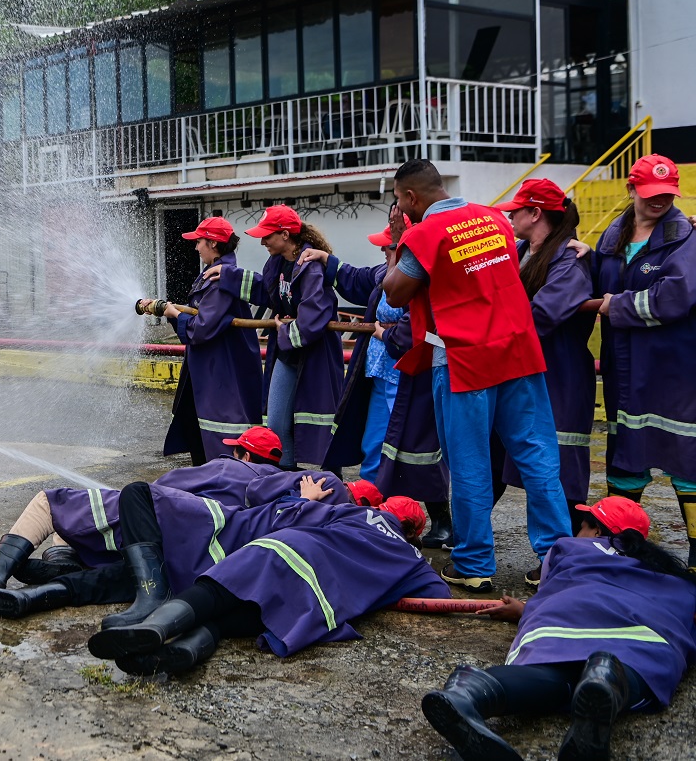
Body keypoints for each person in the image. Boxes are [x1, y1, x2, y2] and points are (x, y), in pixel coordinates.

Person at [382, 159, 571, 592]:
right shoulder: (494, 220)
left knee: (469, 464)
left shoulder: (423, 234)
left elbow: (395, 292)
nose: (398, 209)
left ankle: (474, 563)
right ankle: (558, 558)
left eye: (397, 200)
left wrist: (398, 239)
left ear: (410, 198)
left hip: (464, 360)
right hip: (519, 352)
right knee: (538, 456)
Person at [0, 427, 355, 620]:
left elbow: (160, 489)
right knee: (124, 574)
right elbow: (336, 492)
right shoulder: (287, 489)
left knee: (52, 501)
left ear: (245, 454)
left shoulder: (229, 469)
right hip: (195, 562)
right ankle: (36, 584)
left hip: (167, 519)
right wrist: (301, 501)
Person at [422, 496, 696, 761]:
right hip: (637, 639)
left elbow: (555, 592)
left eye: (582, 526)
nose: (578, 532)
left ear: (597, 530)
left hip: (560, 628)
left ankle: (467, 692)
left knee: (556, 679)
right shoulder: (671, 574)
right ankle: (606, 678)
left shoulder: (569, 548)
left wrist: (527, 611)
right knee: (631, 673)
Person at [87, 494, 450, 674]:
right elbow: (440, 598)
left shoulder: (360, 512)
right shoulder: (414, 562)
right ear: (414, 534)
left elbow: (303, 510)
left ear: (386, 509)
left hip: (287, 549)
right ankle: (180, 655)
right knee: (235, 622)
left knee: (215, 592)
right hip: (319, 599)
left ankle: (153, 626)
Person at [303, 208, 453, 547]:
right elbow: (356, 279)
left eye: (388, 248)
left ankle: (442, 520)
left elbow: (418, 325)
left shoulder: (417, 278)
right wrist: (327, 259)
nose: (382, 252)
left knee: (420, 452)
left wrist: (386, 335)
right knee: (374, 447)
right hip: (380, 375)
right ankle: (373, 510)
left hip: (410, 378)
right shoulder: (385, 274)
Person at [591, 154, 696, 568]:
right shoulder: (610, 238)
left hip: (673, 366)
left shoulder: (686, 238)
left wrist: (616, 305)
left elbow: (676, 297)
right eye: (651, 194)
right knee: (626, 453)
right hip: (624, 364)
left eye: (667, 194)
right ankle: (619, 548)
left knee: (685, 455)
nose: (659, 201)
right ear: (632, 190)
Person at [203, 205, 343, 470]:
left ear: (286, 235)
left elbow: (313, 317)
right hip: (288, 350)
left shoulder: (310, 267)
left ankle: (331, 485)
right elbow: (267, 293)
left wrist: (285, 330)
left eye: (268, 235)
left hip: (315, 356)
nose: (262, 240)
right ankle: (286, 479)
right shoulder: (276, 263)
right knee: (276, 423)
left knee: (321, 425)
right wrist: (229, 275)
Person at [495, 178, 596, 540]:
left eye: (515, 212)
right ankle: (468, 542)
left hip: (560, 376)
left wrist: (487, 329)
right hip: (519, 373)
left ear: (535, 213)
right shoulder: (522, 252)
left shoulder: (569, 260)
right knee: (497, 455)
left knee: (559, 467)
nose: (510, 219)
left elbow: (542, 316)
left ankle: (561, 553)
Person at [151, 216, 263, 466]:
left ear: (212, 243)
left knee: (219, 439)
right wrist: (174, 314)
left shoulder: (220, 280)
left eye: (199, 241)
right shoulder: (212, 273)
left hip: (220, 370)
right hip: (207, 369)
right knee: (199, 433)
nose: (195, 247)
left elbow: (200, 329)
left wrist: (174, 314)